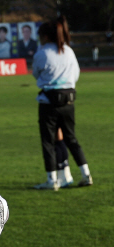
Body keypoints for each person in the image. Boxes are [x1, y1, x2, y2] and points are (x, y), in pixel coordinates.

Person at [32, 16, 92, 190]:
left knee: (48, 142)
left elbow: (37, 74)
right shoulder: (68, 51)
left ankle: (52, 180)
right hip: (69, 101)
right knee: (71, 139)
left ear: (45, 36)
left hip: (48, 101)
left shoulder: (42, 53)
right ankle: (86, 174)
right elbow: (76, 74)